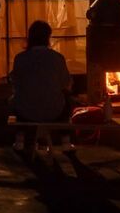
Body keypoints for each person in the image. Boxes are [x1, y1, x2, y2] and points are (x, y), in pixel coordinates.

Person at [9, 21, 73, 152]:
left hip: (26, 111)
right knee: (67, 97)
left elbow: (15, 81)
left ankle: (20, 139)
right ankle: (65, 141)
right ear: (48, 37)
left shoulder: (20, 58)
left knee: (17, 97)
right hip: (53, 110)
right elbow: (65, 83)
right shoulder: (57, 58)